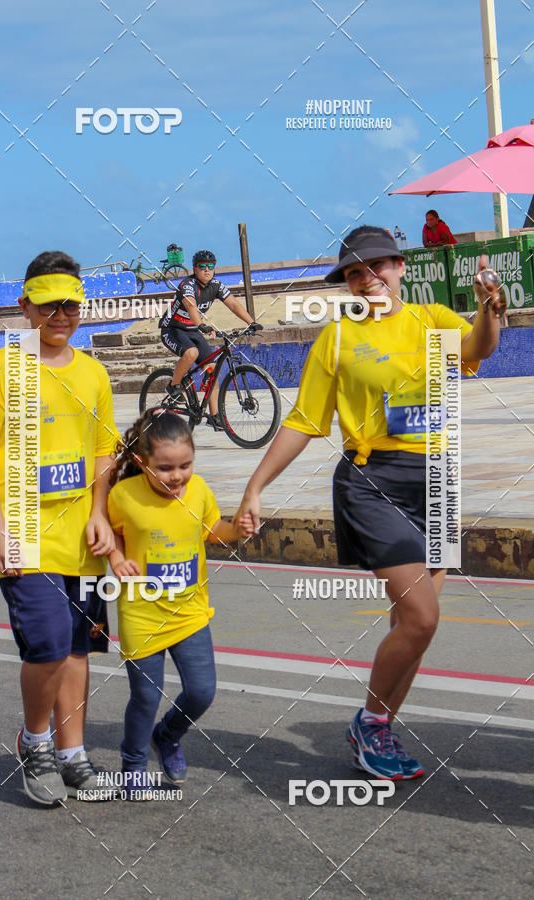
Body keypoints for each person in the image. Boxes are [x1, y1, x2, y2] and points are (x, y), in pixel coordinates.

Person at [236, 226, 505, 781]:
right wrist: (255, 487)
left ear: (400, 267)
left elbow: (479, 349)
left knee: (413, 624)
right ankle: (370, 724)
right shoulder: (335, 339)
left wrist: (489, 310)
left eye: (376, 266)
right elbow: (305, 422)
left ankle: (379, 728)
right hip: (371, 480)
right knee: (422, 616)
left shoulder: (431, 322)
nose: (367, 279)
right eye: (355, 272)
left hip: (436, 479)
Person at [0, 251, 121, 806]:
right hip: (21, 525)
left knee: (77, 647)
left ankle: (73, 753)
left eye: (71, 305)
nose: (61, 315)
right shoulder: (3, 369)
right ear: (25, 306)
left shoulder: (93, 372)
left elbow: (103, 451)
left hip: (82, 532)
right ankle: (36, 740)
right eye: (49, 305)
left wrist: (101, 513)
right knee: (48, 643)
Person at [107, 409, 253, 796]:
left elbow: (213, 532)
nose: (177, 476)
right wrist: (118, 560)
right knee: (146, 695)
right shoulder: (123, 495)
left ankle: (167, 735)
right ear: (142, 462)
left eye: (185, 465)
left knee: (202, 691)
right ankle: (133, 764)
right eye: (166, 468)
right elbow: (113, 533)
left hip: (190, 613)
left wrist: (237, 529)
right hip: (141, 613)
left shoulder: (200, 490)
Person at [160, 249, 263, 430]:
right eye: (202, 267)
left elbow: (233, 303)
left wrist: (251, 322)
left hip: (193, 331)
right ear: (195, 268)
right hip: (173, 329)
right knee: (191, 353)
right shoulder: (187, 285)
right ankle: (174, 385)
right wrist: (201, 324)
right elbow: (191, 306)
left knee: (212, 369)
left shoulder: (216, 285)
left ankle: (215, 416)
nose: (207, 270)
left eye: (211, 266)